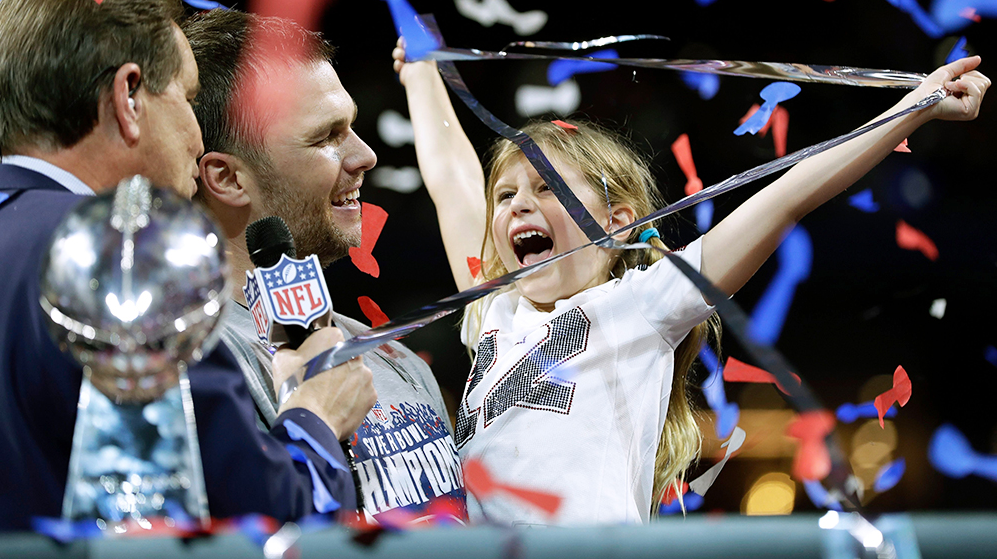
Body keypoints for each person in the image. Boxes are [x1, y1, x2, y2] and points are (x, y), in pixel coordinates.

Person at [393, 41, 989, 524]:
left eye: (548, 187)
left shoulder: (642, 304)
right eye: (507, 195)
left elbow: (789, 195)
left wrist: (916, 105)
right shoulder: (495, 314)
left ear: (618, 222)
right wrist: (421, 75)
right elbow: (452, 183)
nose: (519, 206)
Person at [0, 0, 375, 530]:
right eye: (186, 96)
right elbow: (257, 515)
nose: (198, 138)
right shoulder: (124, 252)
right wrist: (316, 417)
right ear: (129, 97)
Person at [182, 8, 467, 523]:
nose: (365, 156)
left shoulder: (402, 363)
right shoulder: (200, 368)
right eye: (326, 137)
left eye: (351, 127)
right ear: (226, 178)